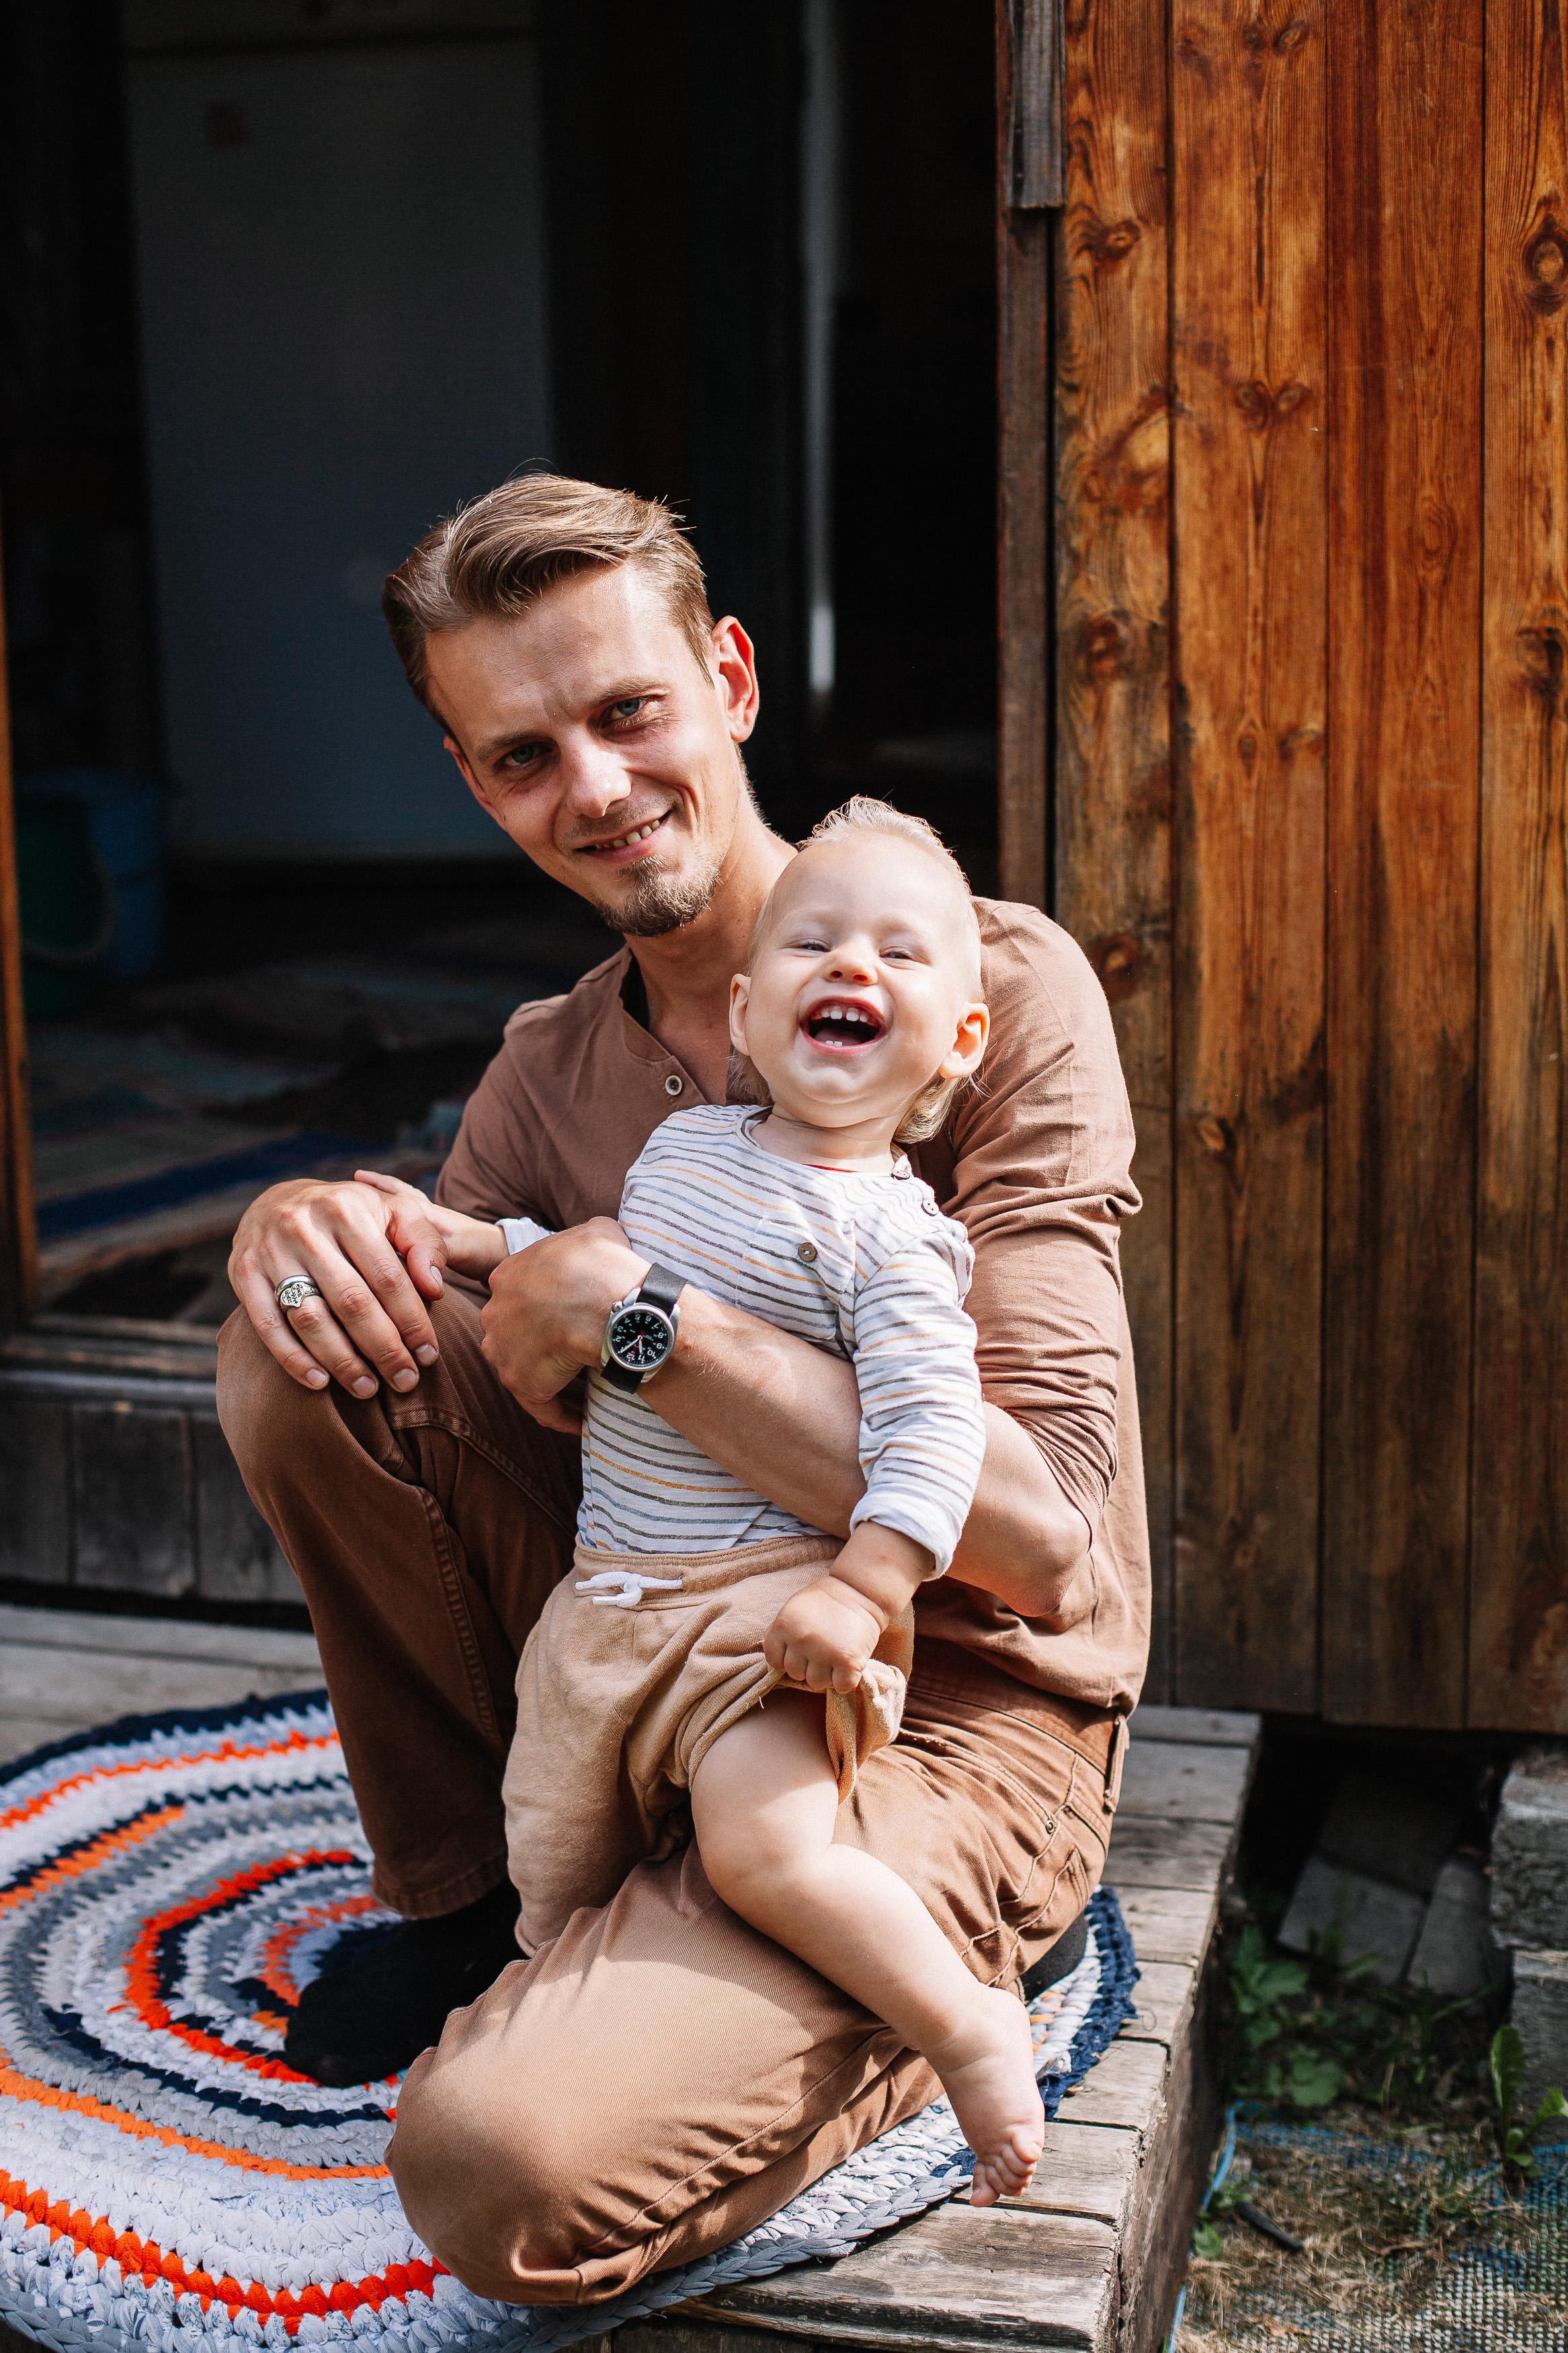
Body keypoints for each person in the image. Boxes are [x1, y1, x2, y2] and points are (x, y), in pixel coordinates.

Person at [218, 473, 1149, 2304]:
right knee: (307, 1333)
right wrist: (297, 1217)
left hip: (946, 1715)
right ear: (470, 781)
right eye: (519, 753)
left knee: (498, 2166)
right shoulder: (549, 1062)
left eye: (625, 711)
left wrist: (650, 1322)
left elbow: (1047, 1548)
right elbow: (420, 1365)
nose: (592, 787)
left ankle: (922, 1976)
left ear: (725, 677)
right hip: (667, 1657)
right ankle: (467, 1904)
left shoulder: (982, 986)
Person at [356, 801, 1048, 2206]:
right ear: (748, 1006)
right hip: (610, 1600)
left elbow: (930, 1433)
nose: (850, 965)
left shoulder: (894, 1234)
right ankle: (555, 2020)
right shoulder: (688, 1156)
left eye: (901, 952)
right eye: (815, 939)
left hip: (761, 1618)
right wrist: (472, 1241)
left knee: (766, 1844)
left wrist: (863, 1585)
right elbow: (588, 1261)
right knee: (548, 1871)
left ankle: (967, 2024)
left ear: (959, 1042)